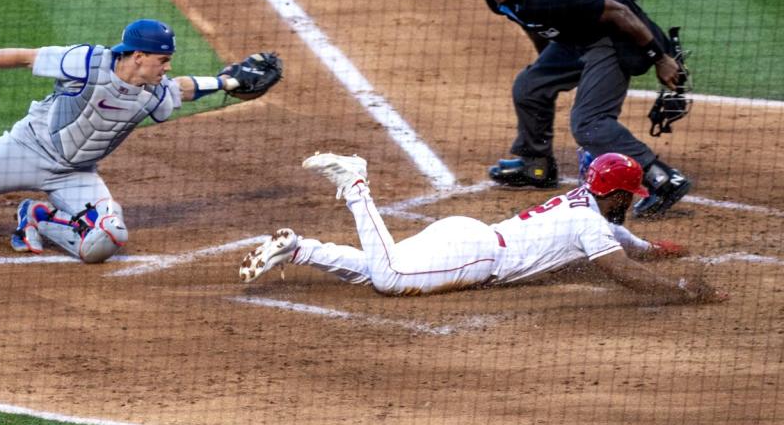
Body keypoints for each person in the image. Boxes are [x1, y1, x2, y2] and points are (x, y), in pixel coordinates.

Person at [0, 19, 261, 263]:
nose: (168, 67)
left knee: (105, 240)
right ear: (138, 56)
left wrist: (228, 82)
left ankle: (37, 216)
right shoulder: (85, 62)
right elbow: (24, 58)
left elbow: (186, 88)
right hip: (24, 150)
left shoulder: (156, 92)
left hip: (75, 173)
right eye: (163, 60)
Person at [239, 152, 726, 304]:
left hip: (463, 233)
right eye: (631, 195)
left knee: (380, 267)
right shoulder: (590, 224)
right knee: (390, 280)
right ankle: (356, 183)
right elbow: (624, 272)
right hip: (478, 256)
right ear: (617, 193)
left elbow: (635, 249)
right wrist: (682, 290)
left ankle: (301, 249)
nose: (632, 202)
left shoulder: (584, 209)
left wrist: (664, 251)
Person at [473, 0, 690, 218]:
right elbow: (533, 24)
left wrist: (660, 59)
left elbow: (620, 12)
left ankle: (663, 179)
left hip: (613, 37)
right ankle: (536, 166)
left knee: (588, 123)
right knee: (529, 86)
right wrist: (546, 66)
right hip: (573, 38)